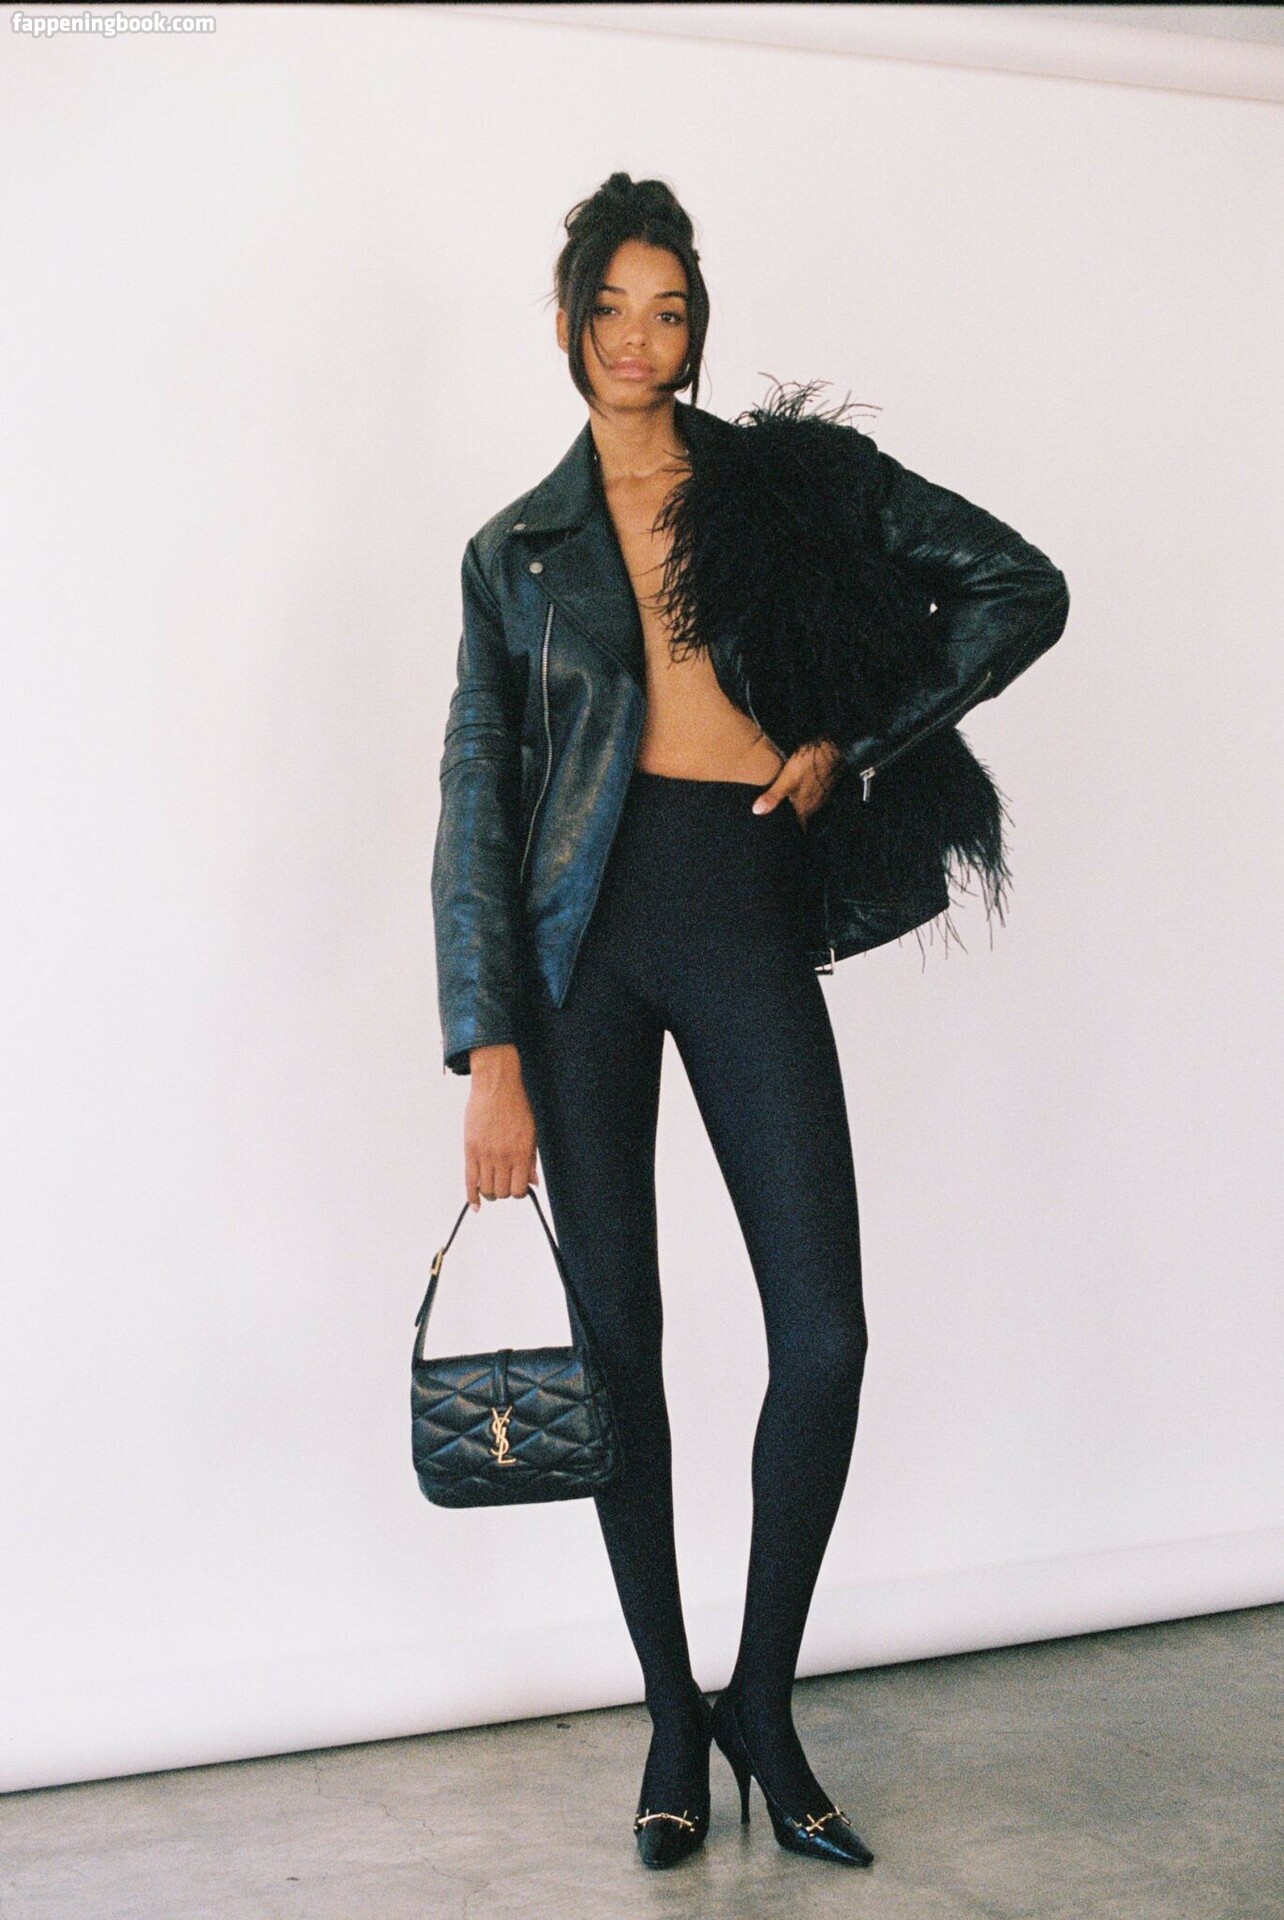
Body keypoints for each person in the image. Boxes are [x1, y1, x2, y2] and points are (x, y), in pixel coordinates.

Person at [431, 172, 1069, 1871]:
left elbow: (1018, 586)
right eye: (612, 309)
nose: (640, 340)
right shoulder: (515, 552)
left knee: (825, 1335)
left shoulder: (783, 489)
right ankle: (669, 1714)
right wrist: (489, 1052)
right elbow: (477, 807)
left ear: (697, 328)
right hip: (581, 955)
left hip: (739, 908)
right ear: (565, 323)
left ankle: (762, 1705)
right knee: (617, 1349)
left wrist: (856, 741)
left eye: (670, 311)